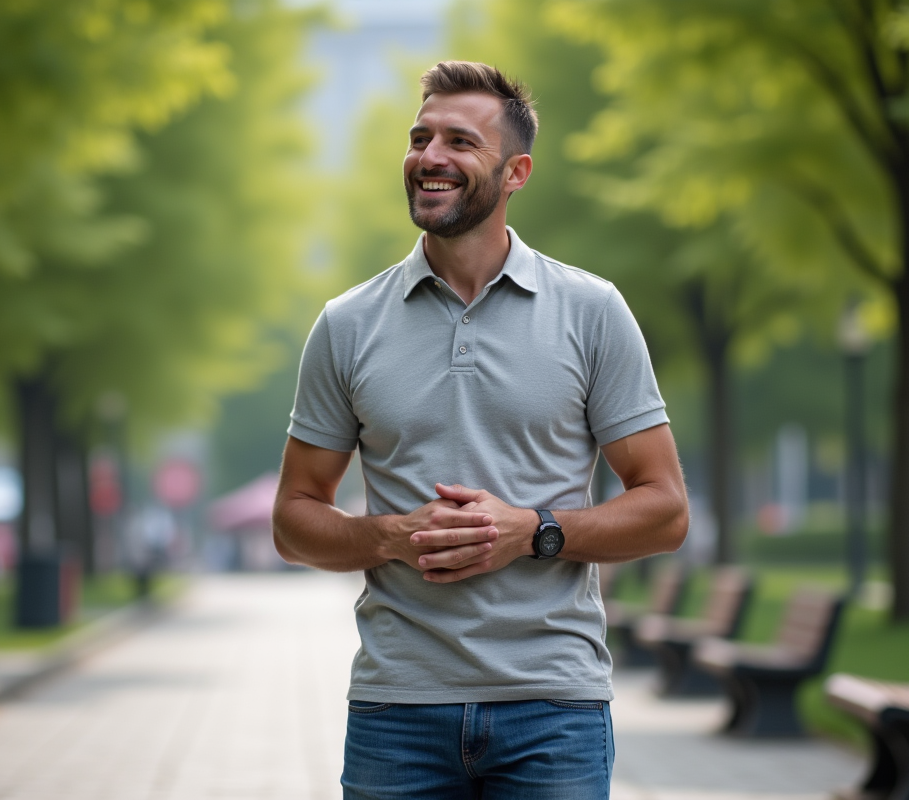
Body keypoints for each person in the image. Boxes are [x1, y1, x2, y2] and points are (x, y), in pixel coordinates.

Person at [273, 61, 689, 799]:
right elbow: (293, 519)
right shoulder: (347, 325)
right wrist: (391, 537)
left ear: (516, 170)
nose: (430, 157)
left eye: (460, 141)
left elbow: (664, 509)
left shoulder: (592, 311)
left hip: (553, 708)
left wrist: (533, 531)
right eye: (420, 137)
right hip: (396, 710)